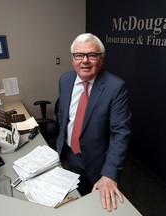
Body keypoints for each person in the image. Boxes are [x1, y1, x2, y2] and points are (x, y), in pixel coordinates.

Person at [56, 33, 132, 212]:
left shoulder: (115, 88)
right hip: (70, 154)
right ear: (73, 58)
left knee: (99, 206)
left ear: (101, 59)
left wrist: (109, 174)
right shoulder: (65, 80)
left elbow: (120, 133)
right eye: (79, 55)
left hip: (98, 162)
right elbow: (62, 113)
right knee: (78, 196)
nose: (85, 61)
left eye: (91, 55)